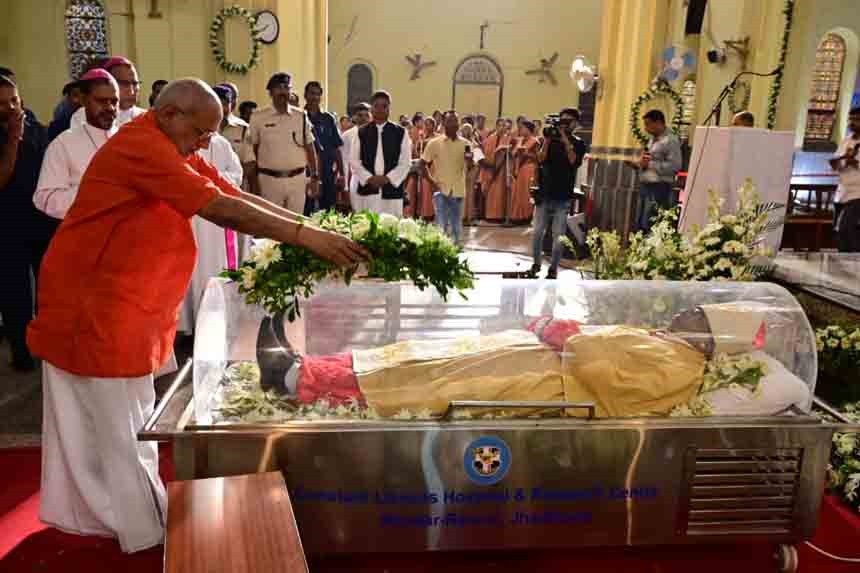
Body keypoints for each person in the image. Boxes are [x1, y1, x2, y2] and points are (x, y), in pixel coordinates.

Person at [26, 78, 368, 553]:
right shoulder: (142, 146)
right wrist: (304, 238)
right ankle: (135, 528)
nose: (208, 141)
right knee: (116, 422)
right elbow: (220, 207)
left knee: (133, 411)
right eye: (203, 131)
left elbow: (230, 189)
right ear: (170, 115)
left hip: (124, 296)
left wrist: (310, 225)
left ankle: (130, 512)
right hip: (91, 299)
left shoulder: (170, 141)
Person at [0, 74, 55, 371]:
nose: (10, 107)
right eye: (2, 103)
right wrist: (12, 138)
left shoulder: (35, 128)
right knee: (15, 294)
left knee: (48, 289)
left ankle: (47, 346)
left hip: (40, 222)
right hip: (7, 226)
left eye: (14, 100)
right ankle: (21, 351)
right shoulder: (13, 132)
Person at [34, 70, 118, 220]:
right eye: (101, 101)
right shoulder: (63, 144)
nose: (110, 108)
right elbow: (44, 198)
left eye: (114, 101)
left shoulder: (127, 138)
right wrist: (95, 195)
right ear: (84, 100)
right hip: (87, 228)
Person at [247, 72, 319, 214]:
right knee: (271, 225)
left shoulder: (301, 116)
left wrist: (315, 178)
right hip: (269, 181)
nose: (283, 91)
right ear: (271, 92)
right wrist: (254, 183)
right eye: (278, 88)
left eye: (286, 87)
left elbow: (310, 148)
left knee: (295, 223)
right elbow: (252, 152)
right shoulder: (258, 117)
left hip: (297, 180)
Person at [531, 108, 587, 279]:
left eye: (567, 121)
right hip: (545, 193)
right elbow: (540, 159)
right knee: (538, 232)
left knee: (559, 235)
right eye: (562, 121)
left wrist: (564, 138)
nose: (563, 124)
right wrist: (547, 140)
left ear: (575, 123)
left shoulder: (579, 143)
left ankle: (553, 268)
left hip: (563, 196)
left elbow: (573, 161)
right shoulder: (550, 140)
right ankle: (536, 264)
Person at [421, 110, 481, 244]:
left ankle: (455, 253)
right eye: (450, 121)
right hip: (440, 189)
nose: (453, 124)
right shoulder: (434, 143)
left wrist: (470, 161)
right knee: (441, 226)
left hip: (458, 191)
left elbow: (471, 165)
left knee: (456, 227)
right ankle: (440, 252)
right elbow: (422, 164)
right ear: (443, 123)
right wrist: (432, 182)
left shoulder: (466, 144)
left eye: (455, 121)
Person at [349, 90, 412, 217]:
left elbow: (405, 162)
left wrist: (388, 178)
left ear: (389, 108)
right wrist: (369, 178)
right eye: (376, 106)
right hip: (368, 189)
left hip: (391, 191)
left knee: (390, 228)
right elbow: (354, 161)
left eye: (384, 106)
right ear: (371, 108)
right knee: (367, 226)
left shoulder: (400, 132)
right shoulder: (361, 132)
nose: (380, 109)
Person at [637, 109, 682, 233]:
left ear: (658, 123)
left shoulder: (670, 140)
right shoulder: (652, 139)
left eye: (648, 124)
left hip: (660, 187)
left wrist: (650, 164)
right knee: (641, 224)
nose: (645, 128)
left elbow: (675, 166)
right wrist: (640, 164)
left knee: (652, 224)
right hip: (647, 185)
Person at [304, 81, 345, 214]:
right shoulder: (299, 117)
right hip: (306, 173)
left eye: (317, 94)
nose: (314, 97)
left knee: (328, 211)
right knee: (306, 210)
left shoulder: (328, 119)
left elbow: (336, 147)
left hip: (328, 173)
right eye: (311, 93)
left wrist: (341, 173)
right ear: (305, 95)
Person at [70, 57, 145, 129]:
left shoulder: (146, 116)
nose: (132, 91)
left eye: (135, 83)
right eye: (125, 83)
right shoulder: (83, 116)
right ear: (111, 84)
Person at [830, 107, 860, 252]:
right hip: (842, 193)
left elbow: (854, 163)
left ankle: (854, 263)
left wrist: (854, 162)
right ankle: (843, 264)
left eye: (857, 120)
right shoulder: (846, 141)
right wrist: (837, 162)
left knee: (845, 228)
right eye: (851, 119)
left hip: (858, 194)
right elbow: (837, 164)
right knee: (837, 231)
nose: (852, 123)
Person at [481, 117, 513, 221]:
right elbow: (485, 153)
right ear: (496, 126)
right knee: (491, 193)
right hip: (490, 169)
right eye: (500, 125)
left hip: (503, 170)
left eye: (504, 125)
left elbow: (511, 152)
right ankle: (490, 216)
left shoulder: (508, 138)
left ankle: (501, 215)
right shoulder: (490, 139)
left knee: (500, 193)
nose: (503, 128)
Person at [341, 102, 371, 211]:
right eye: (360, 115)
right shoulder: (347, 136)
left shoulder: (378, 133)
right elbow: (344, 161)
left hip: (375, 180)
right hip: (356, 179)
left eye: (366, 115)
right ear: (354, 117)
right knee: (358, 214)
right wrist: (345, 186)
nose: (363, 118)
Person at [511, 119, 539, 223]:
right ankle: (518, 216)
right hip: (520, 168)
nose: (520, 130)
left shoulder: (535, 141)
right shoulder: (520, 140)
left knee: (527, 193)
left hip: (529, 168)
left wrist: (526, 153)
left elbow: (538, 157)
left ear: (528, 129)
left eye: (522, 128)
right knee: (519, 193)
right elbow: (514, 154)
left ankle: (527, 216)